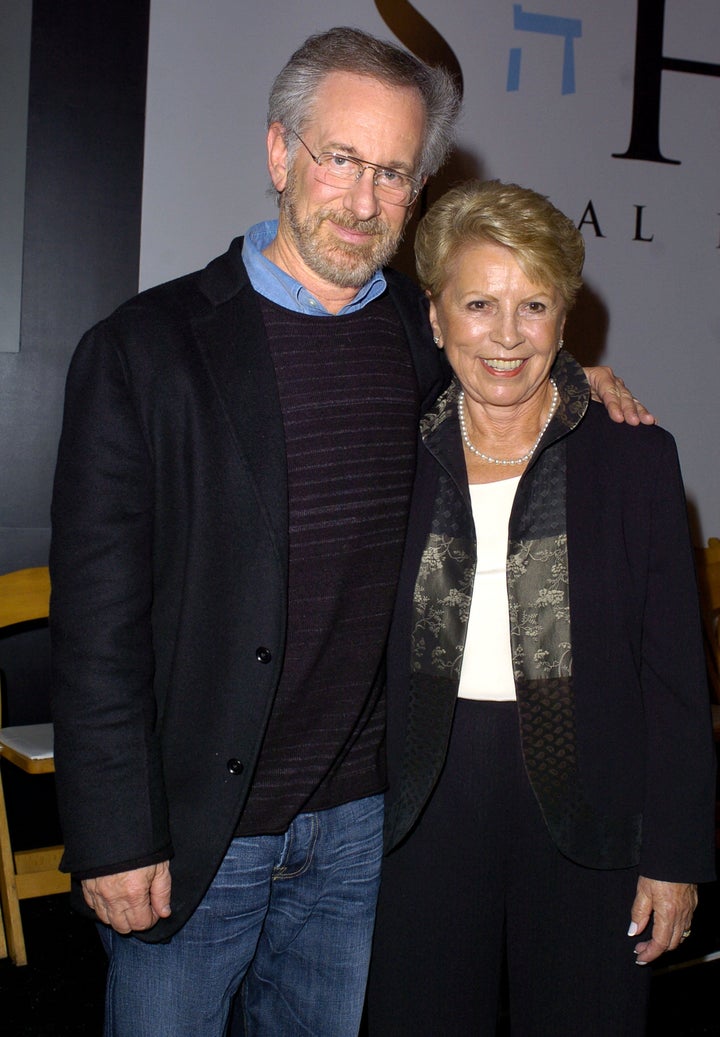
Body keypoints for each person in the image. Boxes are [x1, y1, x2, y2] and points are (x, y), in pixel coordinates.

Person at [49, 28, 652, 1037]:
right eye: (340, 158)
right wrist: (113, 837)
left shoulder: (424, 345)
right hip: (194, 834)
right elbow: (97, 628)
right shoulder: (144, 351)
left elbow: (511, 359)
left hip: (363, 832)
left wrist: (579, 380)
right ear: (281, 154)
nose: (362, 200)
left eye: (392, 173)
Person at [366, 179, 717, 1037]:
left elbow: (674, 677)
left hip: (592, 800)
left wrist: (675, 858)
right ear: (435, 316)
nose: (508, 335)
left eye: (535, 305)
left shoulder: (634, 458)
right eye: (479, 303)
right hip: (422, 794)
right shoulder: (392, 444)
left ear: (565, 319)